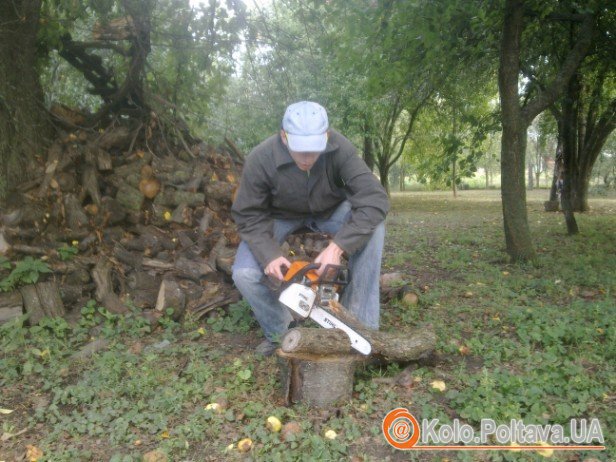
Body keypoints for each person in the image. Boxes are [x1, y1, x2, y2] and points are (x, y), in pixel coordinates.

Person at [231, 101, 389, 356]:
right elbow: (248, 214)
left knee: (375, 227)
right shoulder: (261, 158)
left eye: (314, 151)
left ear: (325, 137)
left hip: (331, 211)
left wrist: (338, 247)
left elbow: (375, 200)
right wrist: (269, 254)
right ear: (284, 136)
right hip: (279, 216)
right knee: (244, 274)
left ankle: (361, 326)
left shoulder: (341, 149)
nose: (306, 159)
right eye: (299, 150)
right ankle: (281, 333)